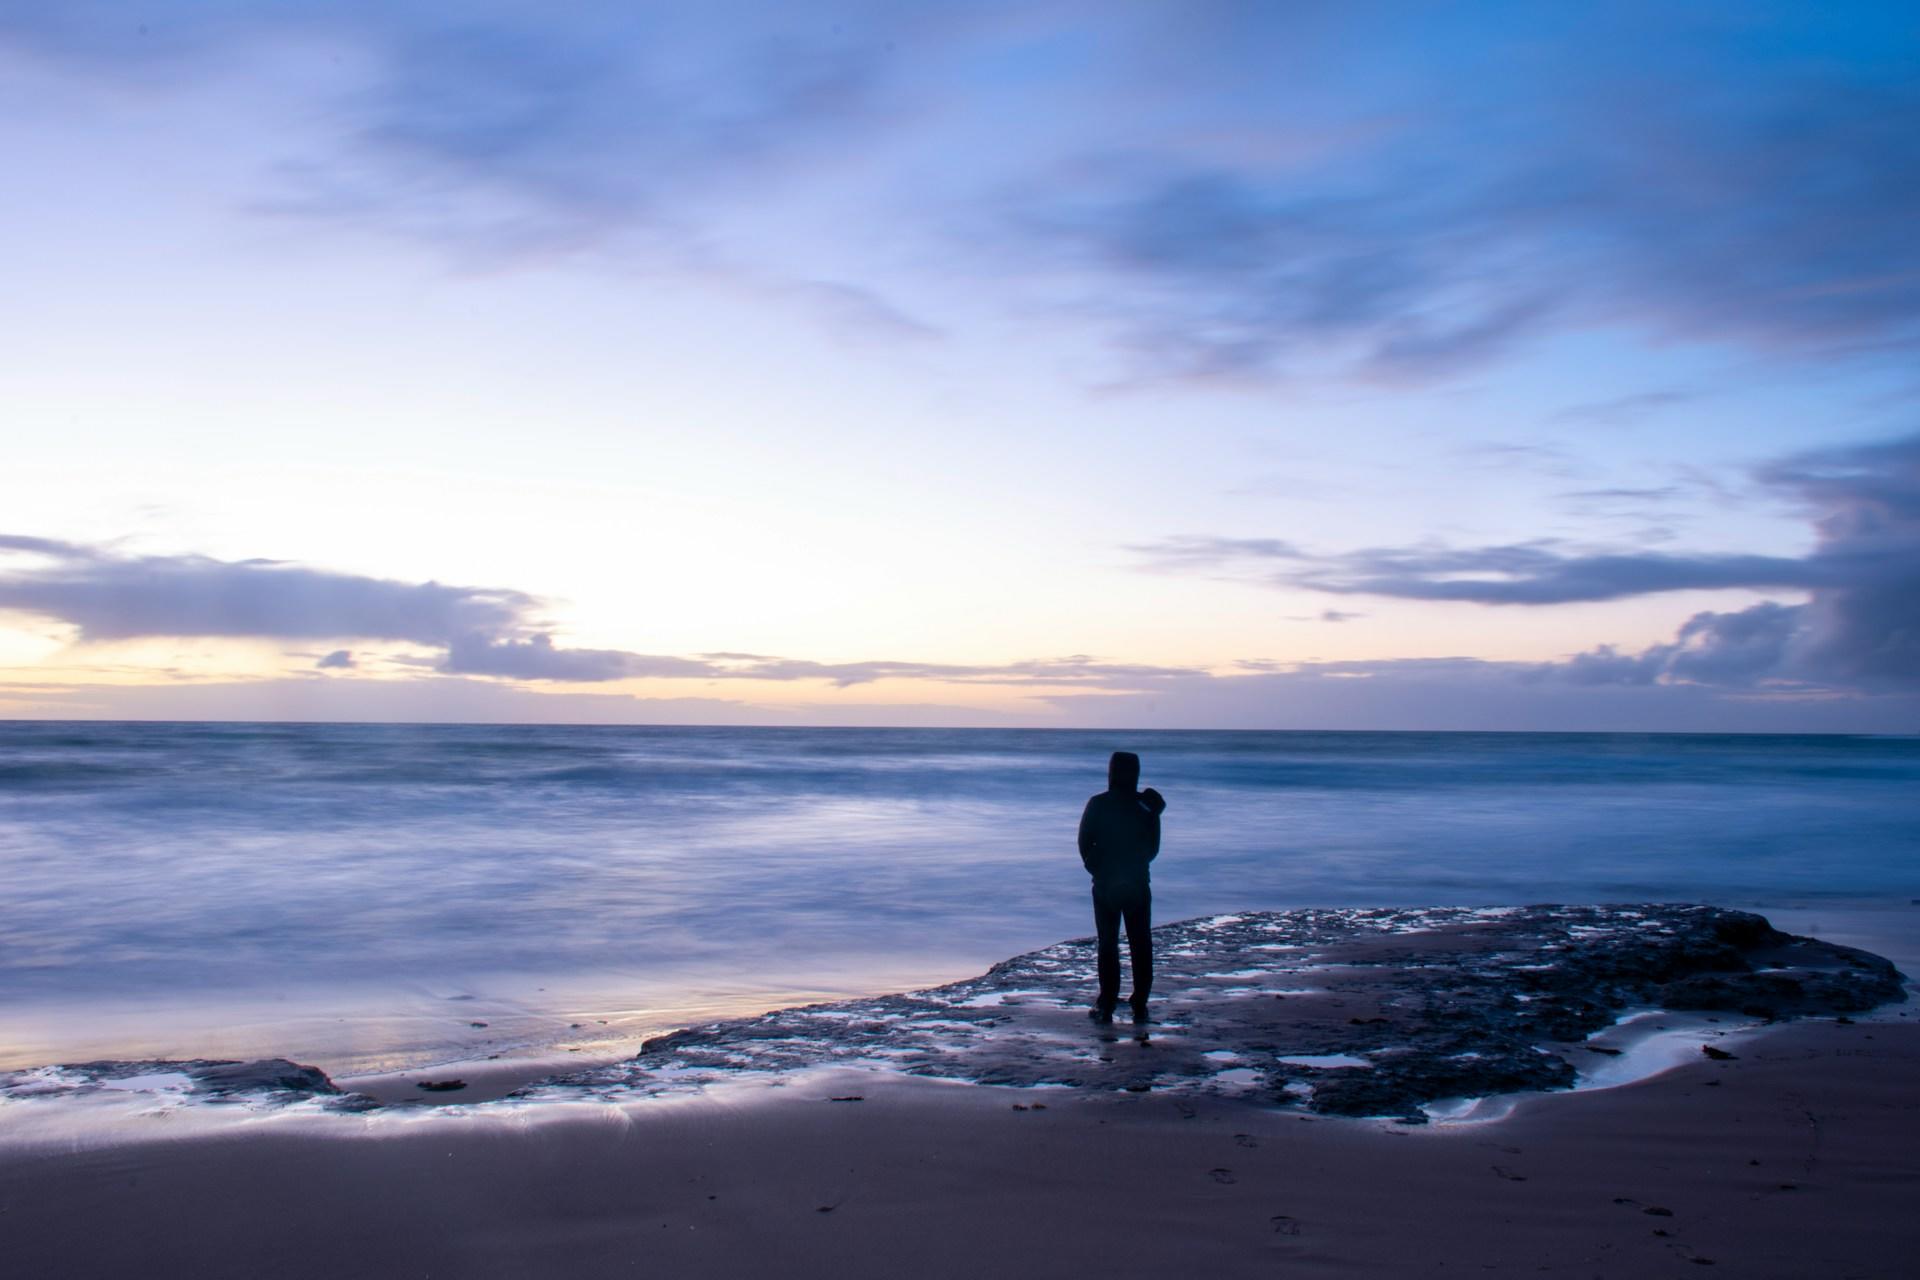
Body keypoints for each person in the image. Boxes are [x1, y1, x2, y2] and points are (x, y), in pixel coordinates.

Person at [1077, 750, 1165, 1024]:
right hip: (1136, 881)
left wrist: (1097, 867)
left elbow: (1083, 841)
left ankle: (1107, 999)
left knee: (1108, 943)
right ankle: (1140, 998)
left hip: (1106, 883)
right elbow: (1153, 847)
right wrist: (1137, 864)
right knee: (1140, 941)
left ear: (1111, 772)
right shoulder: (1146, 807)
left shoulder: (1099, 804)